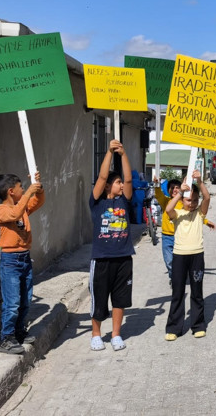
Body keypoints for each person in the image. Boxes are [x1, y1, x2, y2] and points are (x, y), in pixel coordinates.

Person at [0, 171, 44, 354]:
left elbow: (38, 202)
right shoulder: (1, 210)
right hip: (10, 261)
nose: (24, 190)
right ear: (11, 191)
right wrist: (29, 192)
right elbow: (14, 214)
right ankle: (5, 338)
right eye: (21, 187)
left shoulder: (22, 207)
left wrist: (38, 188)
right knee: (12, 302)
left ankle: (19, 331)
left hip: (24, 258)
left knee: (25, 300)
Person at [88, 140, 134, 351]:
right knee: (99, 298)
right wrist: (109, 152)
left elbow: (129, 178)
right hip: (102, 259)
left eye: (121, 183)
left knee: (120, 299)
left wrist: (123, 154)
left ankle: (116, 334)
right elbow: (102, 177)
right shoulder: (97, 202)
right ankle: (96, 334)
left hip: (123, 258)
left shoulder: (124, 201)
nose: (121, 185)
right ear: (107, 186)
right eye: (117, 183)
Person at [164, 170, 211, 340]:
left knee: (197, 292)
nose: (192, 203)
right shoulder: (177, 214)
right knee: (178, 292)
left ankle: (198, 325)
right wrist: (180, 193)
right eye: (188, 200)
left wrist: (199, 181)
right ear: (182, 200)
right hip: (179, 256)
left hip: (197, 256)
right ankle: (174, 328)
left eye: (195, 200)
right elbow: (168, 208)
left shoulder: (199, 213)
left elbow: (207, 198)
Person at [155, 179, 215, 284]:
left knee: (178, 261)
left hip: (179, 237)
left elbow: (194, 217)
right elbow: (159, 196)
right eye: (172, 188)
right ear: (168, 190)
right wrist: (156, 184)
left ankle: (179, 276)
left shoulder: (184, 203)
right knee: (169, 260)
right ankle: (174, 276)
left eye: (177, 187)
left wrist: (205, 221)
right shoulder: (167, 202)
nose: (175, 190)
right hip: (167, 236)